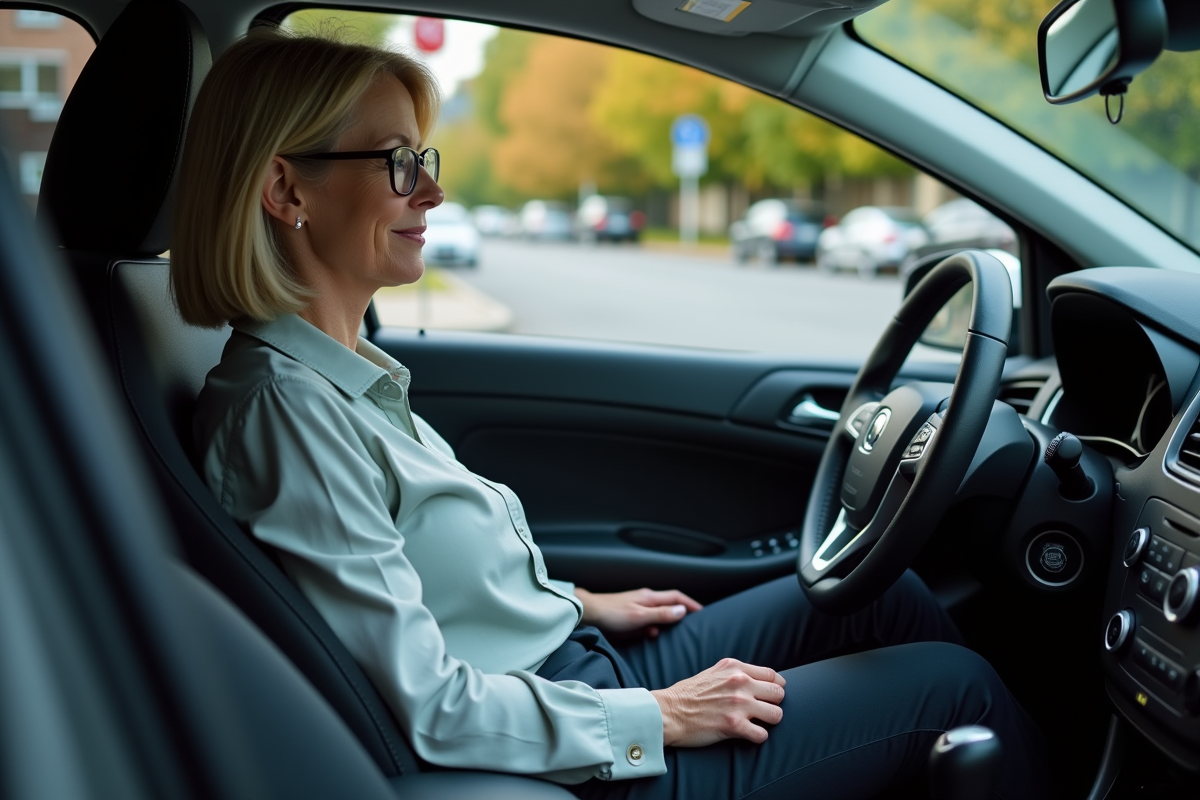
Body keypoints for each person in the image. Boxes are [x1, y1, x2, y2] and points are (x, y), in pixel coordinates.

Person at [173, 28, 1051, 800]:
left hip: (574, 671)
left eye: (424, 162)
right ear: (286, 192)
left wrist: (581, 601)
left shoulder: (347, 377)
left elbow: (440, 582)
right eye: (398, 163)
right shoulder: (287, 417)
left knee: (881, 598)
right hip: (569, 748)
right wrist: (662, 713)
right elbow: (430, 707)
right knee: (953, 688)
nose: (430, 195)